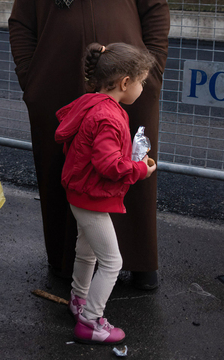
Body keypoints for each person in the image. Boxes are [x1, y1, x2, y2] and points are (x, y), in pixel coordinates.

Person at [8, 0, 170, 289]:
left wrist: (150, 74)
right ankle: (68, 263)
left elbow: (155, 9)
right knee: (70, 174)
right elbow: (21, 25)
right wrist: (33, 83)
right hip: (61, 95)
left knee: (129, 168)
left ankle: (138, 262)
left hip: (130, 92)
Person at [56, 42, 157, 344]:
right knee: (112, 262)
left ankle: (78, 300)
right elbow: (108, 165)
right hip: (92, 198)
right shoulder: (110, 117)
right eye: (141, 82)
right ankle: (90, 321)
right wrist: (140, 169)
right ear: (125, 83)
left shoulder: (92, 103)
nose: (142, 87)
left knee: (86, 252)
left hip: (79, 193)